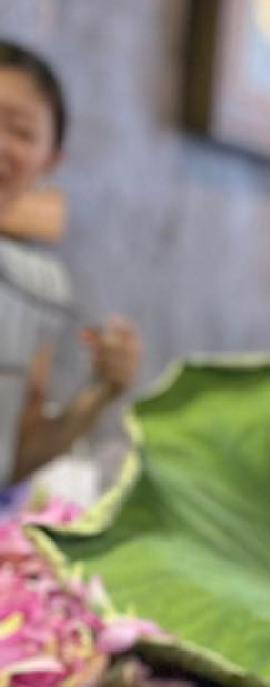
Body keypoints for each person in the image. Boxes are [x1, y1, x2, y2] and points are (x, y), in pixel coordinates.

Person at [0, 40, 140, 502]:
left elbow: (13, 459)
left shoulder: (39, 291)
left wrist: (102, 392)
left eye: (20, 130)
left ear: (50, 159)